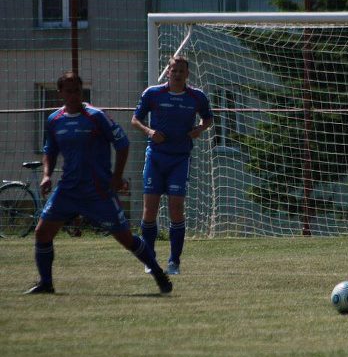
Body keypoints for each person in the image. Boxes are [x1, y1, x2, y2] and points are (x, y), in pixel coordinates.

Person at [25, 71, 172, 295]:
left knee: (125, 238)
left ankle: (159, 273)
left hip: (98, 191)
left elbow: (122, 144)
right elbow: (50, 151)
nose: (74, 95)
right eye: (69, 91)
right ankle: (46, 283)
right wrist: (46, 175)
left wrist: (116, 177)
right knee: (42, 232)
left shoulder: (96, 116)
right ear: (60, 93)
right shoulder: (54, 120)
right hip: (68, 189)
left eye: (77, 90)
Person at [131, 56, 213, 275]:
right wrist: (149, 132)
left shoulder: (196, 97)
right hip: (156, 157)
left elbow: (208, 119)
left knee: (176, 209)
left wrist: (199, 130)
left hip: (180, 159)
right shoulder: (153, 94)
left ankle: (174, 262)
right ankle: (149, 259)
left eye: (181, 71)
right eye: (173, 70)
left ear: (187, 74)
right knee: (150, 210)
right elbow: (135, 119)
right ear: (168, 72)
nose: (177, 74)